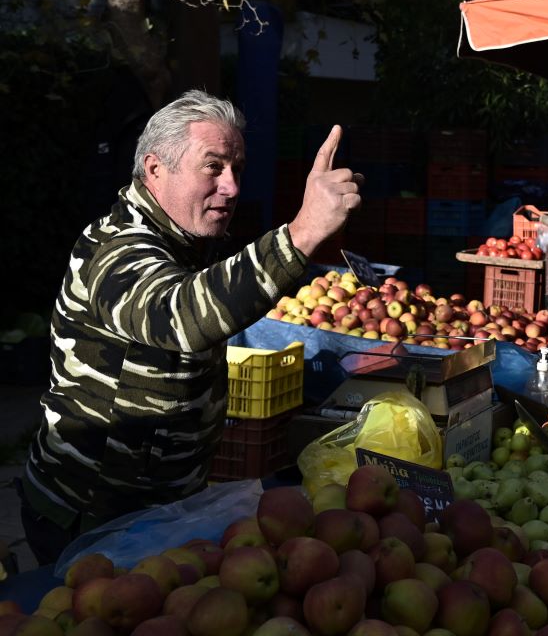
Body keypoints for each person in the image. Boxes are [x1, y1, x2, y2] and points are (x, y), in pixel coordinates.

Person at [19, 90, 361, 566]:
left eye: (237, 169)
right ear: (156, 169)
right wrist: (301, 233)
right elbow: (179, 315)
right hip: (91, 517)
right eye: (213, 167)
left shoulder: (186, 243)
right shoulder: (117, 250)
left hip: (157, 510)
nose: (232, 187)